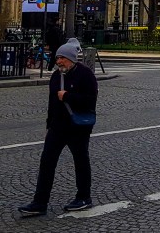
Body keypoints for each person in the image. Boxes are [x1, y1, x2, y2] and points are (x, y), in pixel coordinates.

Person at [18, 42, 98, 217]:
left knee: (80, 161)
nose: (59, 61)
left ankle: (84, 197)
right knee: (47, 162)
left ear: (71, 59)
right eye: (58, 58)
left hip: (78, 127)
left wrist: (68, 96)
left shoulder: (86, 75)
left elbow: (90, 101)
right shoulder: (56, 76)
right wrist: (49, 125)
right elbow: (51, 103)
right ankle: (40, 202)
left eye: (62, 58)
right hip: (58, 126)